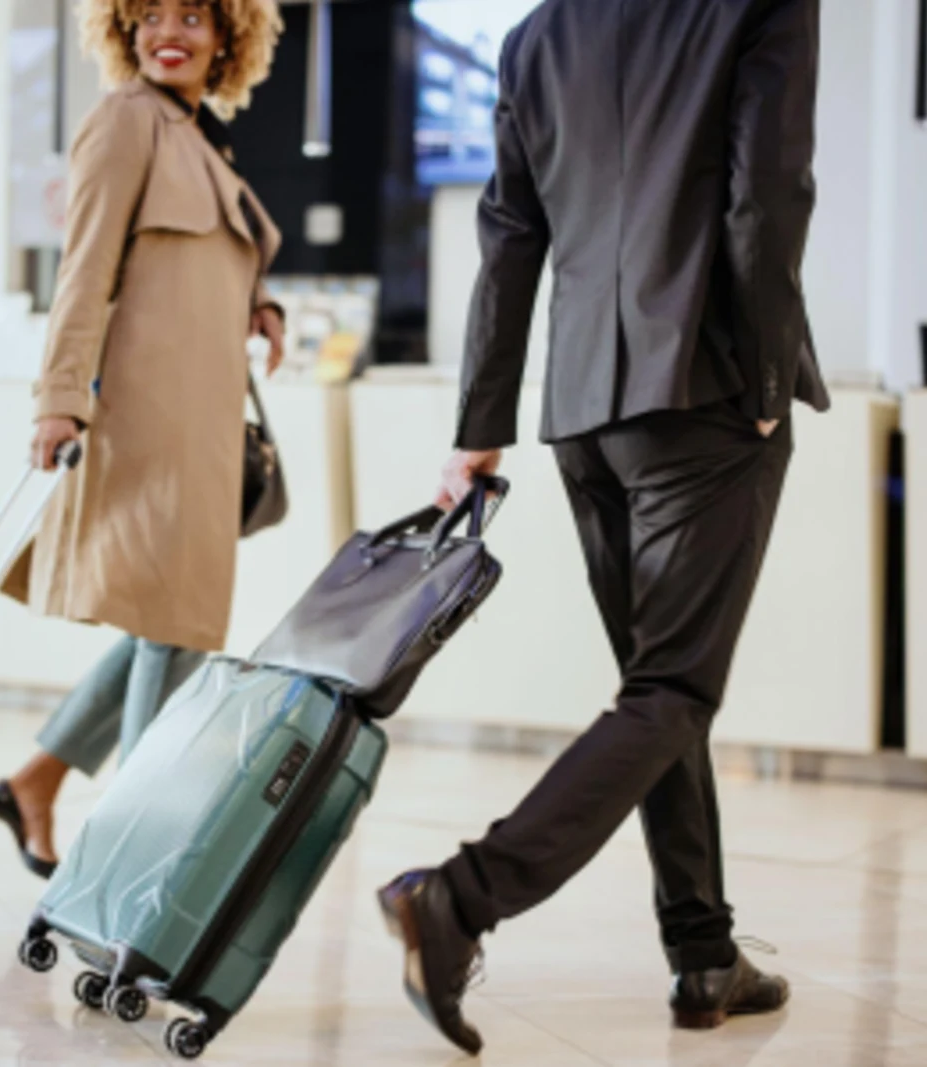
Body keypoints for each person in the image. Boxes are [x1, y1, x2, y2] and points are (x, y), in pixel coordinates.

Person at [375, 0, 828, 1054]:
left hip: (584, 409)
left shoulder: (536, 37)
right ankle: (460, 896)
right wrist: (767, 376)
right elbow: (767, 190)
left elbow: (510, 235)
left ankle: (703, 950)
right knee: (672, 689)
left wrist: (479, 426)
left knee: (656, 692)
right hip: (707, 392)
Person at [0, 0, 286, 879]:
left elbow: (210, 260)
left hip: (207, 425)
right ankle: (126, 854)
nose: (169, 33)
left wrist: (262, 303)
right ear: (123, 29)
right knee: (168, 623)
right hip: (148, 422)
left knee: (178, 622)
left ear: (227, 36)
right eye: (150, 15)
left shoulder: (202, 138)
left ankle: (36, 782)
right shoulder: (125, 121)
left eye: (192, 16)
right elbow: (83, 271)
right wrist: (58, 398)